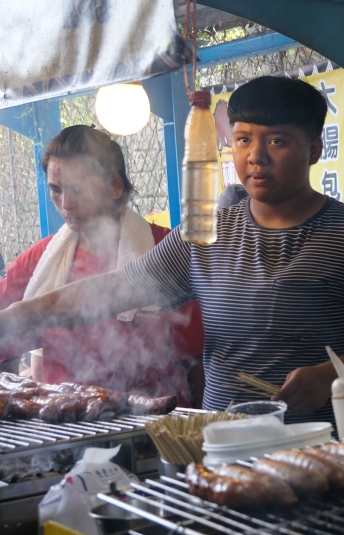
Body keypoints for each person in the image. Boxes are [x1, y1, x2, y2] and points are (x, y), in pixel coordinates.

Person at [0, 77, 344, 424]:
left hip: (320, 438)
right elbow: (110, 291)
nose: (256, 157)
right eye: (242, 140)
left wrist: (330, 376)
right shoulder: (203, 235)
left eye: (276, 142)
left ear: (314, 148)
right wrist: (15, 317)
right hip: (223, 438)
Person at [0, 126, 204, 404]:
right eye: (56, 190)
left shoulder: (163, 252)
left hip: (155, 419)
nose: (66, 204)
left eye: (78, 189)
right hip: (64, 421)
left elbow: (196, 363)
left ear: (115, 186)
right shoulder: (38, 262)